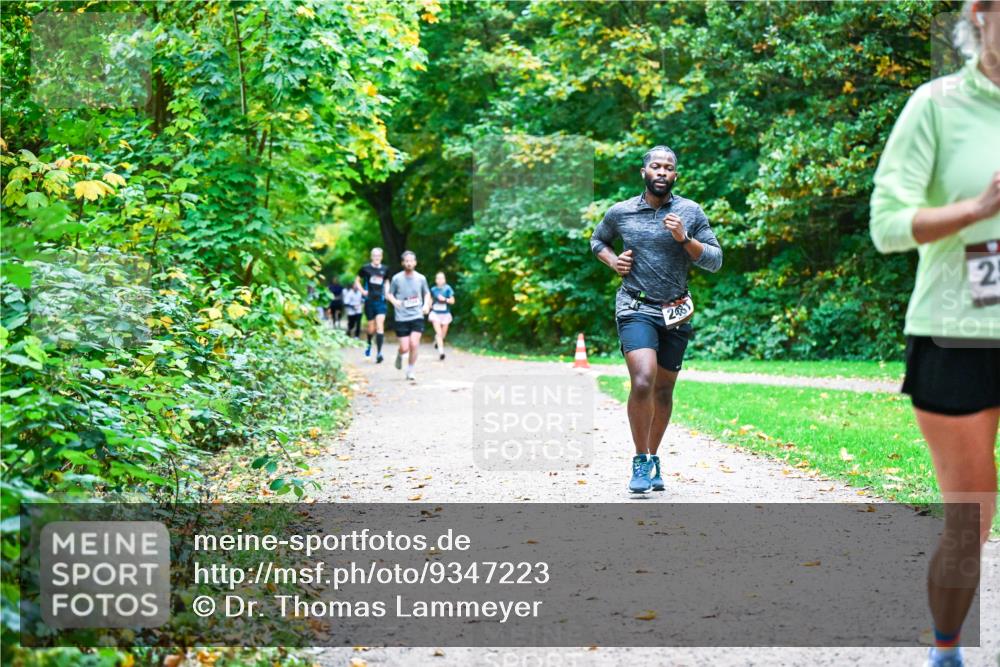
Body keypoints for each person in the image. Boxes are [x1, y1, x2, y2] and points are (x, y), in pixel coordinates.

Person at [870, 3, 999, 666]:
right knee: (971, 516)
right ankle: (946, 649)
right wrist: (978, 210)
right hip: (960, 332)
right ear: (980, 15)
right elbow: (888, 225)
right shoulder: (938, 106)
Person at [590, 145, 722, 494]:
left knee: (664, 389)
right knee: (644, 380)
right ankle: (639, 459)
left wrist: (685, 239)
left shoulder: (690, 212)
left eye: (669, 168)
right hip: (635, 305)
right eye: (656, 167)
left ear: (675, 175)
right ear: (644, 172)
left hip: (676, 310)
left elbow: (714, 259)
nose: (662, 172)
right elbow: (597, 240)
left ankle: (653, 457)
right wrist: (613, 261)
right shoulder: (621, 212)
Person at [387, 250, 431, 382]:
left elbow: (427, 294)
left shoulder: (421, 278)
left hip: (417, 315)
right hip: (401, 317)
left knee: (414, 343)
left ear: (415, 262)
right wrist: (395, 301)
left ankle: (411, 369)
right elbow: (390, 294)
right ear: (402, 263)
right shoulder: (397, 278)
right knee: (405, 347)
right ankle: (400, 355)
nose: (409, 263)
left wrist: (426, 305)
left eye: (411, 261)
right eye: (406, 261)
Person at [356, 248, 390, 363]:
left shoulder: (385, 269)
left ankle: (379, 353)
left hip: (380, 301)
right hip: (369, 301)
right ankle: (369, 343)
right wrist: (362, 291)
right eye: (374, 256)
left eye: (379, 256)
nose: (377, 258)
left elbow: (386, 282)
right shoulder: (365, 268)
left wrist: (387, 292)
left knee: (380, 325)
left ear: (381, 257)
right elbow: (357, 280)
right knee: (371, 328)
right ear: (371, 257)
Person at [429, 272, 455, 360]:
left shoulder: (448, 289)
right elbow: (430, 300)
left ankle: (437, 340)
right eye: (438, 278)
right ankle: (441, 352)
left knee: (442, 335)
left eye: (442, 278)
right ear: (436, 280)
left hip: (445, 314)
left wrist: (445, 299)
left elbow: (452, 301)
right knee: (439, 333)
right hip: (435, 314)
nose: (440, 280)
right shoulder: (433, 289)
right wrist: (428, 306)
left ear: (445, 279)